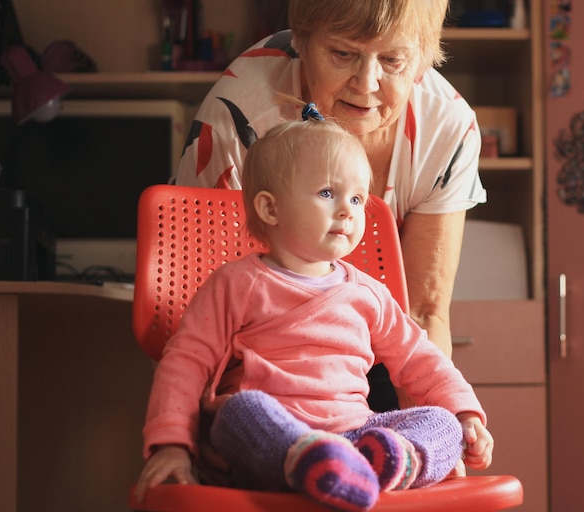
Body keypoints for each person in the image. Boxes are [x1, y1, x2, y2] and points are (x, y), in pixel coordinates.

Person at [135, 120, 494, 512]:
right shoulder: (236, 284)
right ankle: (307, 461)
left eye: (358, 199)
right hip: (270, 434)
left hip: (355, 434)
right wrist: (172, 446)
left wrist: (462, 411)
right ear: (270, 208)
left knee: (440, 423)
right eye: (328, 193)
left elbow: (418, 357)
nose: (347, 210)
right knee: (239, 412)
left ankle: (386, 462)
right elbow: (186, 362)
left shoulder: (368, 293)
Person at [174, 1, 487, 392]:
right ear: (301, 41)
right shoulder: (239, 114)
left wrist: (437, 430)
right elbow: (197, 309)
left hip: (376, 352)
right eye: (343, 53)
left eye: (392, 60)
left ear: (423, 59)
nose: (366, 83)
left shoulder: (446, 129)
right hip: (258, 357)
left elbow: (422, 314)